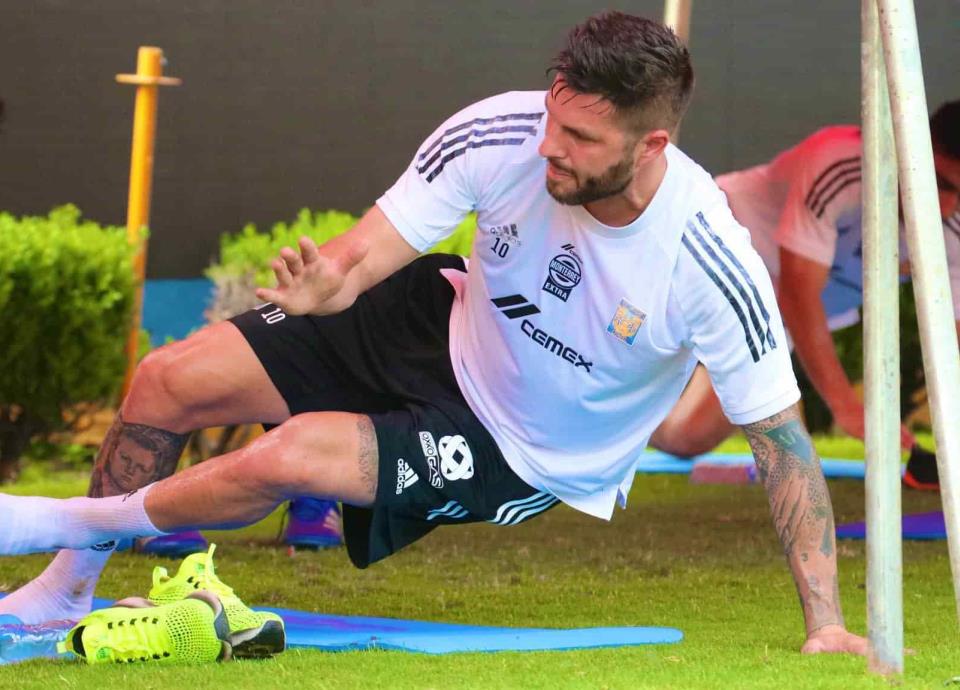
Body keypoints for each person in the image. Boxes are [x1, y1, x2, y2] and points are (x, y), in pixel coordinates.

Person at [0, 11, 865, 657]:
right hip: (439, 317)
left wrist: (825, 623)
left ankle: (54, 521)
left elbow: (783, 446)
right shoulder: (502, 133)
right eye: (553, 116)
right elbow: (363, 253)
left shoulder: (708, 258)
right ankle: (65, 589)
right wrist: (326, 285)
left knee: (291, 455)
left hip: (522, 446)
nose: (549, 145)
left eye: (579, 137)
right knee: (168, 377)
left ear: (651, 146)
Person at [651, 100, 960, 491]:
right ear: (907, 151)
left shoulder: (952, 223)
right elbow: (798, 295)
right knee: (622, 359)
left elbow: (952, 334)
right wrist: (847, 406)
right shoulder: (839, 163)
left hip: (772, 311)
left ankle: (613, 417)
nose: (947, 206)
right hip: (709, 249)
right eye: (939, 184)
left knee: (684, 438)